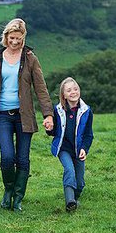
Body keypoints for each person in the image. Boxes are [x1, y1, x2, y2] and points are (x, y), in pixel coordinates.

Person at [0, 18, 54, 211]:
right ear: (5, 37)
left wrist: (48, 114)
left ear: (23, 37)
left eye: (19, 38)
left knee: (22, 159)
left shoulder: (30, 58)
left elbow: (41, 88)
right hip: (2, 115)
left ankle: (18, 198)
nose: (15, 42)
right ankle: (8, 190)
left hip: (24, 115)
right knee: (7, 157)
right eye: (12, 38)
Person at [46, 77, 94, 212]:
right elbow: (54, 132)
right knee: (69, 171)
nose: (73, 92)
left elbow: (89, 135)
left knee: (80, 183)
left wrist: (84, 148)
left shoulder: (87, 111)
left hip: (78, 150)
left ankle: (75, 198)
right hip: (64, 148)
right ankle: (70, 201)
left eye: (75, 89)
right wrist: (49, 128)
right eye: (69, 90)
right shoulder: (58, 110)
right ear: (64, 95)